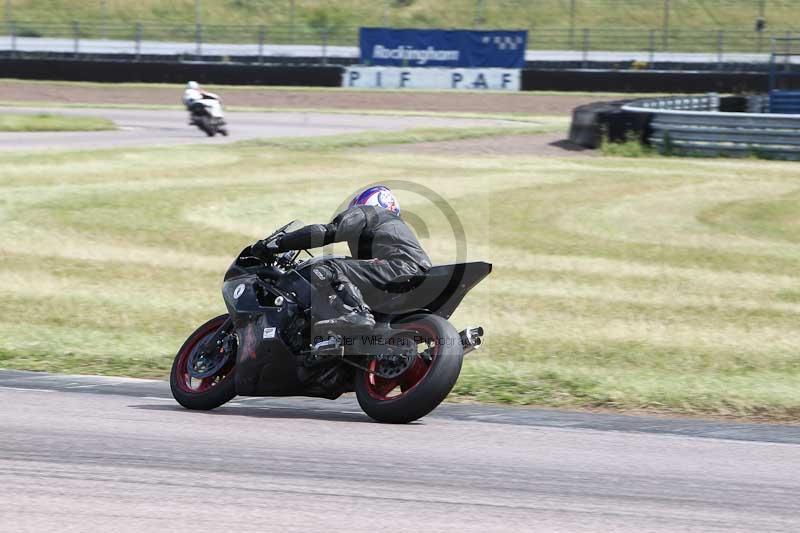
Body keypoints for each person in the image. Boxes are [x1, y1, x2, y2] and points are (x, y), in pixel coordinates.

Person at [252, 185, 432, 330]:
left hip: (398, 268)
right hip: (416, 275)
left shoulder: (368, 212)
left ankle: (358, 312)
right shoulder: (391, 227)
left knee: (325, 266)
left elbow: (326, 232)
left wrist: (279, 243)